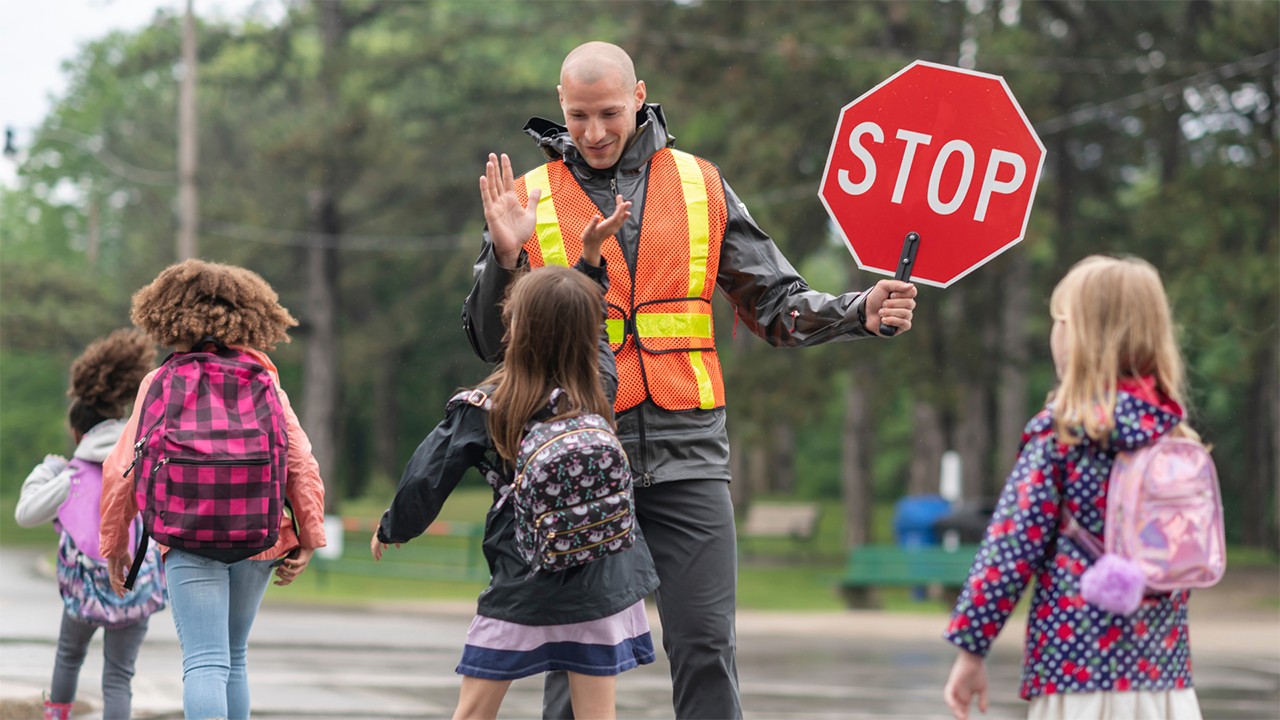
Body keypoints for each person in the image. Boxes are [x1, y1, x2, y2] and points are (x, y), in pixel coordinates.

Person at [462, 41, 917, 719]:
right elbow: (488, 341)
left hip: (689, 455)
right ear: (561, 106)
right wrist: (503, 256)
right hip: (581, 458)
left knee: (706, 644)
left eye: (609, 113)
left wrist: (859, 310)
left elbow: (776, 303)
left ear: (639, 96)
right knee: (579, 663)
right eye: (578, 115)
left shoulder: (701, 184)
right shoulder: (525, 201)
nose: (593, 133)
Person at [374, 197, 660, 720]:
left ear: (516, 329)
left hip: (522, 584)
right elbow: (588, 326)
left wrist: (394, 527)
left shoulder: (490, 406)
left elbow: (429, 473)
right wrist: (592, 262)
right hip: (602, 585)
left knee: (475, 711)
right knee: (598, 715)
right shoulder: (597, 388)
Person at [942, 255, 1205, 720]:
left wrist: (971, 649)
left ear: (1078, 337)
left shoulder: (1062, 436)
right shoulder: (1174, 438)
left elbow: (1008, 551)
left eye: (1059, 320)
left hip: (1076, 672)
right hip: (1163, 679)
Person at [99, 259, 328, 720]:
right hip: (257, 536)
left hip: (186, 534)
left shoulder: (159, 381)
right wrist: (309, 533)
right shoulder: (265, 380)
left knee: (205, 660)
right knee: (234, 657)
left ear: (168, 315)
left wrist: (114, 543)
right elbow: (300, 460)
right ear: (249, 314)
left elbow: (122, 468)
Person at [15, 329, 164, 720]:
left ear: (79, 432)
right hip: (135, 589)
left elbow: (25, 514)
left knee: (68, 657)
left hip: (84, 594)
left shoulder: (70, 478)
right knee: (118, 677)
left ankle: (57, 716)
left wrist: (47, 470)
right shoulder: (143, 466)